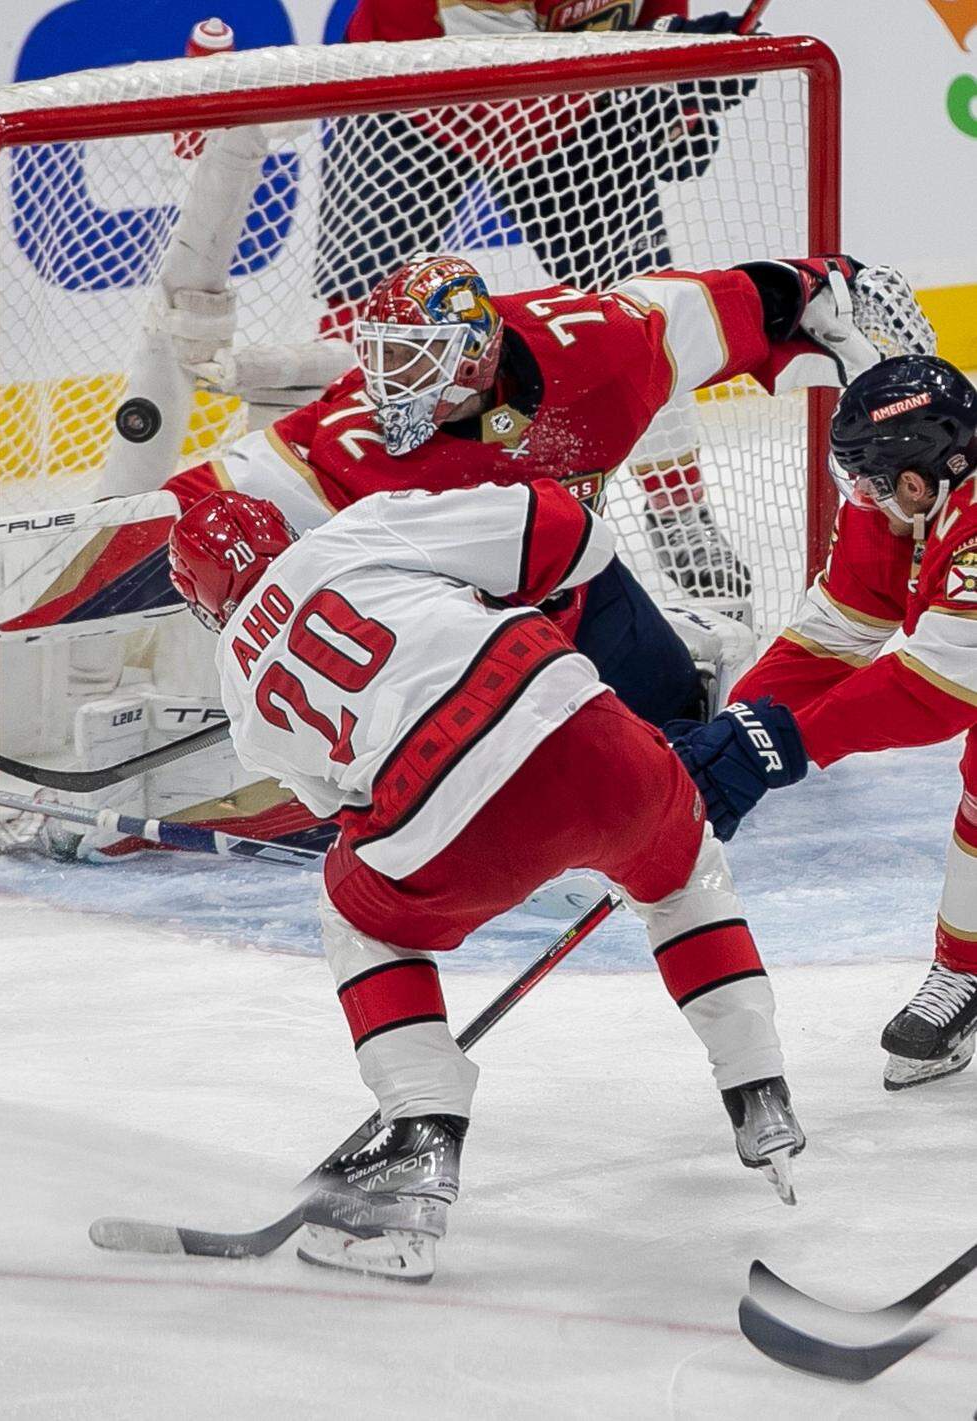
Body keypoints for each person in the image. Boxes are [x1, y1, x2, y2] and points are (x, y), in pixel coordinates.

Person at [166, 476, 806, 1282]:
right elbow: (576, 532)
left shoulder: (241, 693)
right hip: (585, 730)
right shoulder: (355, 532)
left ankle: (418, 1141)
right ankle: (758, 1088)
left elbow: (341, 804)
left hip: (445, 814)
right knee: (683, 871)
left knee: (357, 912)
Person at [168, 250, 880, 730]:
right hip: (451, 628)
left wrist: (837, 292)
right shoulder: (351, 439)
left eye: (413, 361)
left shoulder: (604, 349)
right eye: (382, 357)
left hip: (573, 584)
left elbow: (757, 301)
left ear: (477, 357)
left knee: (678, 724)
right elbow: (202, 503)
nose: (389, 386)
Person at [318, 1, 760, 595]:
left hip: (564, 104)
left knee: (643, 315)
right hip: (412, 84)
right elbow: (495, 49)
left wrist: (679, 89)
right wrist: (657, 48)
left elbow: (649, 17)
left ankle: (680, 513)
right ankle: (340, 507)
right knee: (370, 319)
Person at [665, 355, 977, 1091]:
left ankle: (965, 967)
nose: (861, 496)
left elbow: (938, 683)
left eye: (871, 480)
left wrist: (785, 744)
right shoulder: (911, 494)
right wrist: (737, 730)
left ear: (915, 473)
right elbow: (837, 630)